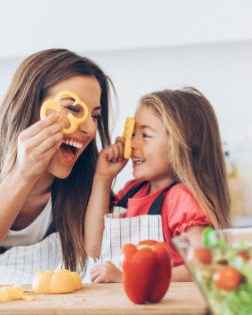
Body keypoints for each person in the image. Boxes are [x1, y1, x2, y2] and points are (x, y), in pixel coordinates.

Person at [0, 48, 114, 287]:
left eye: (95, 116)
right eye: (73, 109)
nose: (89, 129)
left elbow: (94, 259)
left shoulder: (88, 174)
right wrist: (22, 175)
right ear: (30, 105)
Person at [84, 87, 230, 283]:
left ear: (180, 145)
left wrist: (129, 277)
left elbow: (206, 265)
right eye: (133, 134)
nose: (132, 144)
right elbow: (93, 248)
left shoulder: (181, 198)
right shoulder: (132, 191)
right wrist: (102, 178)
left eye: (145, 135)